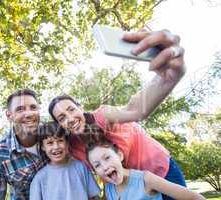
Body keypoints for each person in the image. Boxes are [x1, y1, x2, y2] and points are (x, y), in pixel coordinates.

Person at [48, 30, 187, 200]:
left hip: (160, 170)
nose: (69, 118)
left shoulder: (102, 116)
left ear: (80, 107)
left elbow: (135, 110)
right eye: (61, 118)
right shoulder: (72, 147)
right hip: (128, 189)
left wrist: (167, 79)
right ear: (59, 125)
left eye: (71, 110)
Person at [0, 89, 47, 200]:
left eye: (33, 107)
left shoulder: (56, 136)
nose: (29, 114)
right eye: (20, 109)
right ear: (9, 116)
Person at [86, 137, 205, 200]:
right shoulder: (109, 189)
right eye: (97, 165)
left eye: (107, 158)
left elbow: (195, 197)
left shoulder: (145, 179)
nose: (105, 167)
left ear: (119, 155)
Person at [29, 122, 100, 200]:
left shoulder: (81, 167)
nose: (56, 147)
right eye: (50, 143)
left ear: (67, 143)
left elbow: (93, 197)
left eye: (60, 141)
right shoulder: (39, 178)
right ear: (43, 147)